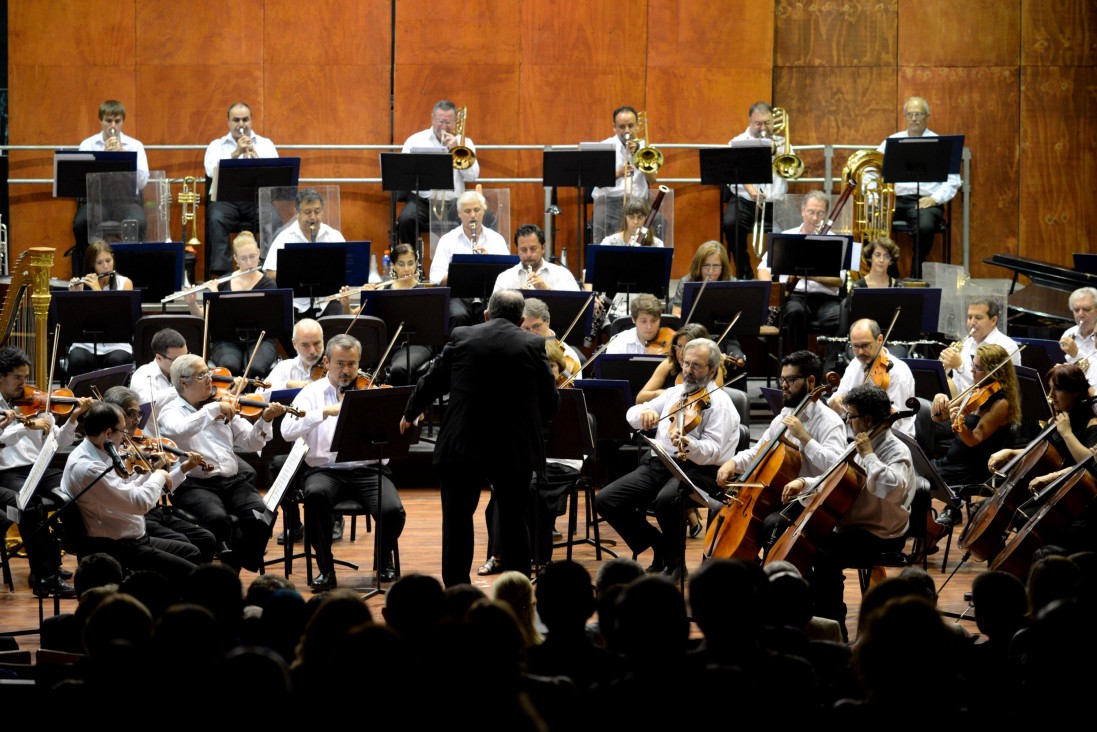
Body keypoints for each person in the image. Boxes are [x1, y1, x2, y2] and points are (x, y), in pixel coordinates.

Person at [400, 290, 559, 587]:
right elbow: (550, 402)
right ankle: (518, 591)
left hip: (463, 444)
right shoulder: (533, 343)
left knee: (458, 521)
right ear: (521, 319)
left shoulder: (462, 336)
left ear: (486, 314)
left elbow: (431, 380)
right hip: (512, 447)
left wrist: (411, 412)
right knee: (513, 519)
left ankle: (458, 592)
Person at [594, 338, 738, 581]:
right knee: (607, 500)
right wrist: (645, 413)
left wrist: (688, 444)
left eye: (696, 366)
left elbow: (714, 451)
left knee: (667, 501)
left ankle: (677, 565)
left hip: (701, 471)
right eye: (686, 364)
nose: (688, 371)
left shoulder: (720, 405)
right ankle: (660, 546)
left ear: (713, 370)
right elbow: (632, 413)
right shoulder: (676, 392)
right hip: (661, 464)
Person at [778, 384, 913, 635]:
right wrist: (804, 483)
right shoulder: (860, 444)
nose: (847, 421)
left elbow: (893, 491)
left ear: (868, 419)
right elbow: (833, 477)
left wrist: (869, 456)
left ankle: (834, 625)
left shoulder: (896, 451)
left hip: (880, 533)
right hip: (853, 525)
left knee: (823, 553)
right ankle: (810, 616)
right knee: (801, 537)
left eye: (850, 416)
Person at [281, 334, 407, 591]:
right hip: (325, 471)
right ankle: (326, 570)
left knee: (393, 511)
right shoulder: (311, 394)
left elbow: (394, 430)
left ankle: (383, 559)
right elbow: (286, 430)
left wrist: (407, 418)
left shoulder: (369, 393)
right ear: (326, 362)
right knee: (315, 496)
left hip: (368, 470)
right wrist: (323, 413)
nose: (346, 370)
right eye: (340, 363)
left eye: (352, 364)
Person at [160, 354, 286, 571]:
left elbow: (252, 443)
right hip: (193, 484)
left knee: (265, 514)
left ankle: (237, 560)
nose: (210, 379)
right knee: (218, 519)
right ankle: (226, 563)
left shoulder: (222, 404)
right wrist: (213, 410)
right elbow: (180, 430)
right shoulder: (170, 412)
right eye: (202, 375)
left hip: (231, 481)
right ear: (183, 382)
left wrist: (265, 420)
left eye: (208, 372)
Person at [716, 350, 847, 552]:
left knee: (771, 523)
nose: (783, 386)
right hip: (779, 494)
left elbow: (836, 467)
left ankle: (775, 576)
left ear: (811, 382)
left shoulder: (830, 422)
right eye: (782, 379)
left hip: (810, 500)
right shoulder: (784, 417)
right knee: (721, 508)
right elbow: (760, 452)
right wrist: (733, 463)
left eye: (791, 380)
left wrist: (805, 437)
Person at [62, 402, 204, 584]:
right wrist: (158, 476)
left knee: (192, 552)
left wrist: (175, 470)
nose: (125, 437)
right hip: (118, 546)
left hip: (133, 536)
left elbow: (131, 490)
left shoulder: (99, 453)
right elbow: (139, 503)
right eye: (123, 431)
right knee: (192, 574)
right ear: (108, 433)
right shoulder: (89, 468)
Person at [0, 346, 93, 596]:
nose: (24, 384)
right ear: (2, 377)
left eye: (26, 377)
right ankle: (44, 577)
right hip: (8, 472)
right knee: (30, 506)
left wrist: (73, 418)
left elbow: (60, 443)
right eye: (17, 378)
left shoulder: (37, 403)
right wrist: (24, 425)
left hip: (38, 467)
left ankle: (79, 557)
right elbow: (2, 439)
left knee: (77, 490)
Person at [102, 385, 216, 563]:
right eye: (130, 414)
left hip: (153, 510)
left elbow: (160, 490)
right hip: (135, 516)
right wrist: (155, 473)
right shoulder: (110, 453)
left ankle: (199, 584)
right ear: (114, 415)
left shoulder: (137, 445)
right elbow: (133, 497)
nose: (136, 421)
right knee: (186, 545)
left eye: (138, 414)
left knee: (206, 538)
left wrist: (183, 469)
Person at [930, 343, 1022, 529]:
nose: (972, 370)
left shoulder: (1001, 403)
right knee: (914, 473)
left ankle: (931, 531)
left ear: (995, 371)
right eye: (973, 364)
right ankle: (927, 529)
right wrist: (939, 398)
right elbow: (937, 418)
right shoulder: (976, 389)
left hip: (972, 469)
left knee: (920, 482)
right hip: (952, 461)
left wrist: (960, 424)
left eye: (978, 368)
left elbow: (974, 440)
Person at [877, 96, 961, 278]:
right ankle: (890, 272)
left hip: (926, 201)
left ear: (927, 116)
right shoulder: (891, 142)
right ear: (905, 117)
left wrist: (935, 199)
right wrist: (878, 198)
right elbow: (872, 170)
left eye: (918, 114)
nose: (913, 118)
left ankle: (916, 274)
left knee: (925, 226)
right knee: (873, 221)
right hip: (895, 200)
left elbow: (953, 180)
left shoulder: (941, 144)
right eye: (910, 114)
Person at [757, 191, 842, 354]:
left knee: (839, 316)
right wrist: (774, 292)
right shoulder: (786, 237)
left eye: (820, 213)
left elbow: (839, 280)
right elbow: (763, 268)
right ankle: (800, 362)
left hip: (826, 299)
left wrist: (809, 274)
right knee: (795, 312)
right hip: (793, 295)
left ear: (826, 214)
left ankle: (830, 368)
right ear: (803, 211)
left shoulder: (833, 240)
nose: (815, 218)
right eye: (811, 212)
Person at [72, 100, 149, 276]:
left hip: (126, 201)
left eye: (117, 121)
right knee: (81, 223)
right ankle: (90, 270)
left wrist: (123, 156)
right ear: (101, 121)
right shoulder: (87, 145)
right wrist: (104, 158)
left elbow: (142, 182)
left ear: (123, 122)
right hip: (97, 201)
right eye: (108, 121)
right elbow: (80, 181)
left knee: (140, 222)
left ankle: (131, 272)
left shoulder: (135, 146)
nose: (113, 125)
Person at [186, 231, 278, 378]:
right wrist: (192, 304)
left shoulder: (268, 285)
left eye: (252, 257)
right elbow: (206, 317)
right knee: (229, 367)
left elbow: (273, 320)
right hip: (227, 340)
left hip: (260, 340)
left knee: (254, 368)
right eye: (243, 258)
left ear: (259, 253)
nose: (249, 263)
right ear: (236, 259)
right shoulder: (223, 282)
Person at [203, 102, 279, 278]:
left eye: (245, 119)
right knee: (216, 217)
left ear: (251, 120)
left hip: (257, 200)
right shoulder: (216, 145)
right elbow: (210, 170)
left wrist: (256, 157)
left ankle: (266, 267)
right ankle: (224, 273)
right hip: (225, 201)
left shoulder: (266, 144)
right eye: (236, 120)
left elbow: (274, 174)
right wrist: (235, 155)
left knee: (273, 218)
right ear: (228, 122)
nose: (241, 124)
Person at [396, 100, 481, 246]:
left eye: (448, 122)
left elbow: (472, 176)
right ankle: (412, 265)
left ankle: (466, 261)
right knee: (406, 220)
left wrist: (456, 150)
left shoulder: (465, 143)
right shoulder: (415, 140)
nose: (444, 126)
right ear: (432, 118)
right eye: (440, 121)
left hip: (455, 203)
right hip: (423, 201)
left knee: (485, 218)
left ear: (456, 122)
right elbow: (404, 173)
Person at [722, 101, 789, 279]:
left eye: (767, 122)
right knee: (731, 224)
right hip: (746, 199)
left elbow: (793, 171)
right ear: (750, 121)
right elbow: (732, 174)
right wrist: (752, 191)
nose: (763, 127)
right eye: (758, 123)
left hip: (777, 201)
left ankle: (781, 277)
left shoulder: (783, 143)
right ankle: (744, 272)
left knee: (796, 228)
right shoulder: (737, 143)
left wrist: (776, 152)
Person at [429, 189, 510, 328]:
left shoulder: (496, 239)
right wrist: (463, 271)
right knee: (458, 315)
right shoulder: (447, 240)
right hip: (458, 296)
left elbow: (508, 274)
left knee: (491, 315)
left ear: (484, 211)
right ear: (459, 213)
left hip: (488, 295)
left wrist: (490, 262)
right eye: (467, 211)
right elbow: (435, 277)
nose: (473, 215)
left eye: (477, 210)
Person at [262, 188, 346, 317]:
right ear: (297, 212)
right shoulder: (284, 237)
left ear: (322, 211)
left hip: (327, 302)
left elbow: (347, 269)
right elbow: (269, 273)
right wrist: (295, 274)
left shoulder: (334, 236)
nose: (313, 217)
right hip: (296, 303)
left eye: (317, 211)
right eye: (307, 212)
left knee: (337, 324)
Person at [828, 318, 916, 436]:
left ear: (879, 340)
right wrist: (836, 402)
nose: (860, 352)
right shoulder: (856, 363)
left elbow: (896, 422)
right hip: (856, 436)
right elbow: (839, 398)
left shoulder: (898, 372)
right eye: (855, 346)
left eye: (865, 346)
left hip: (891, 440)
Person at [668, 240, 746, 368]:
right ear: (699, 265)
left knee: (737, 361)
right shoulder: (687, 282)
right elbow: (676, 313)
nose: (710, 271)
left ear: (723, 266)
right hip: (693, 337)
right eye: (706, 265)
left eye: (716, 266)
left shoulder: (731, 283)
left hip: (724, 336)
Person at [590, 105, 659, 244]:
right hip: (609, 202)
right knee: (603, 236)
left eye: (630, 126)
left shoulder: (646, 148)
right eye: (622, 127)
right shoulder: (605, 146)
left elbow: (653, 179)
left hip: (638, 202)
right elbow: (596, 181)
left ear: (638, 126)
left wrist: (639, 157)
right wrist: (617, 174)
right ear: (614, 127)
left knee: (660, 223)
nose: (627, 131)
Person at [66, 240, 136, 377]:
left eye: (108, 260)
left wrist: (98, 290)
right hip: (85, 344)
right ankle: (80, 398)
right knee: (78, 360)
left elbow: (119, 317)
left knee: (116, 361)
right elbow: (74, 319)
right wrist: (75, 294)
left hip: (117, 344)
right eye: (100, 263)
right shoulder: (84, 283)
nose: (106, 266)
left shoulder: (125, 283)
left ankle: (113, 399)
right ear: (92, 265)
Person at [939, 297, 1021, 395]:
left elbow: (993, 387)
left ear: (993, 320)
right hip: (965, 406)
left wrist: (960, 367)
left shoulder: (1007, 346)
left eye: (978, 318)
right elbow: (958, 385)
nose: (972, 323)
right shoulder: (965, 345)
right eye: (969, 317)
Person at [493, 224, 579, 292]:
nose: (528, 254)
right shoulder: (504, 278)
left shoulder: (562, 274)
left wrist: (547, 291)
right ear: (517, 250)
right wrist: (516, 300)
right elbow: (494, 312)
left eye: (533, 249)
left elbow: (577, 307)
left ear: (543, 248)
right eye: (523, 250)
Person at [521, 298, 583, 383]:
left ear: (548, 321)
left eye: (536, 326)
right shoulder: (514, 351)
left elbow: (574, 390)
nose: (532, 333)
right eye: (526, 328)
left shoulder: (567, 354)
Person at [130, 328, 189, 411]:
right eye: (177, 359)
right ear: (159, 357)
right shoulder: (143, 374)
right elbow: (145, 402)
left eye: (185, 356)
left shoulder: (187, 370)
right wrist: (183, 388)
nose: (184, 363)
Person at [265, 318, 324, 392]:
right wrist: (287, 384)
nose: (312, 351)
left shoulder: (332, 367)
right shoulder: (285, 367)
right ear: (294, 344)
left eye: (317, 343)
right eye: (305, 345)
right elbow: (261, 393)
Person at [1059, 287, 1097, 387]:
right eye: (1076, 310)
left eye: (1086, 309)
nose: (1080, 314)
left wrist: (1077, 354)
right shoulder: (1068, 333)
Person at [597, 197, 665, 248]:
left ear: (646, 219)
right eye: (631, 217)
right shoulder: (609, 243)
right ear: (625, 218)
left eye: (640, 217)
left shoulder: (657, 244)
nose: (635, 222)